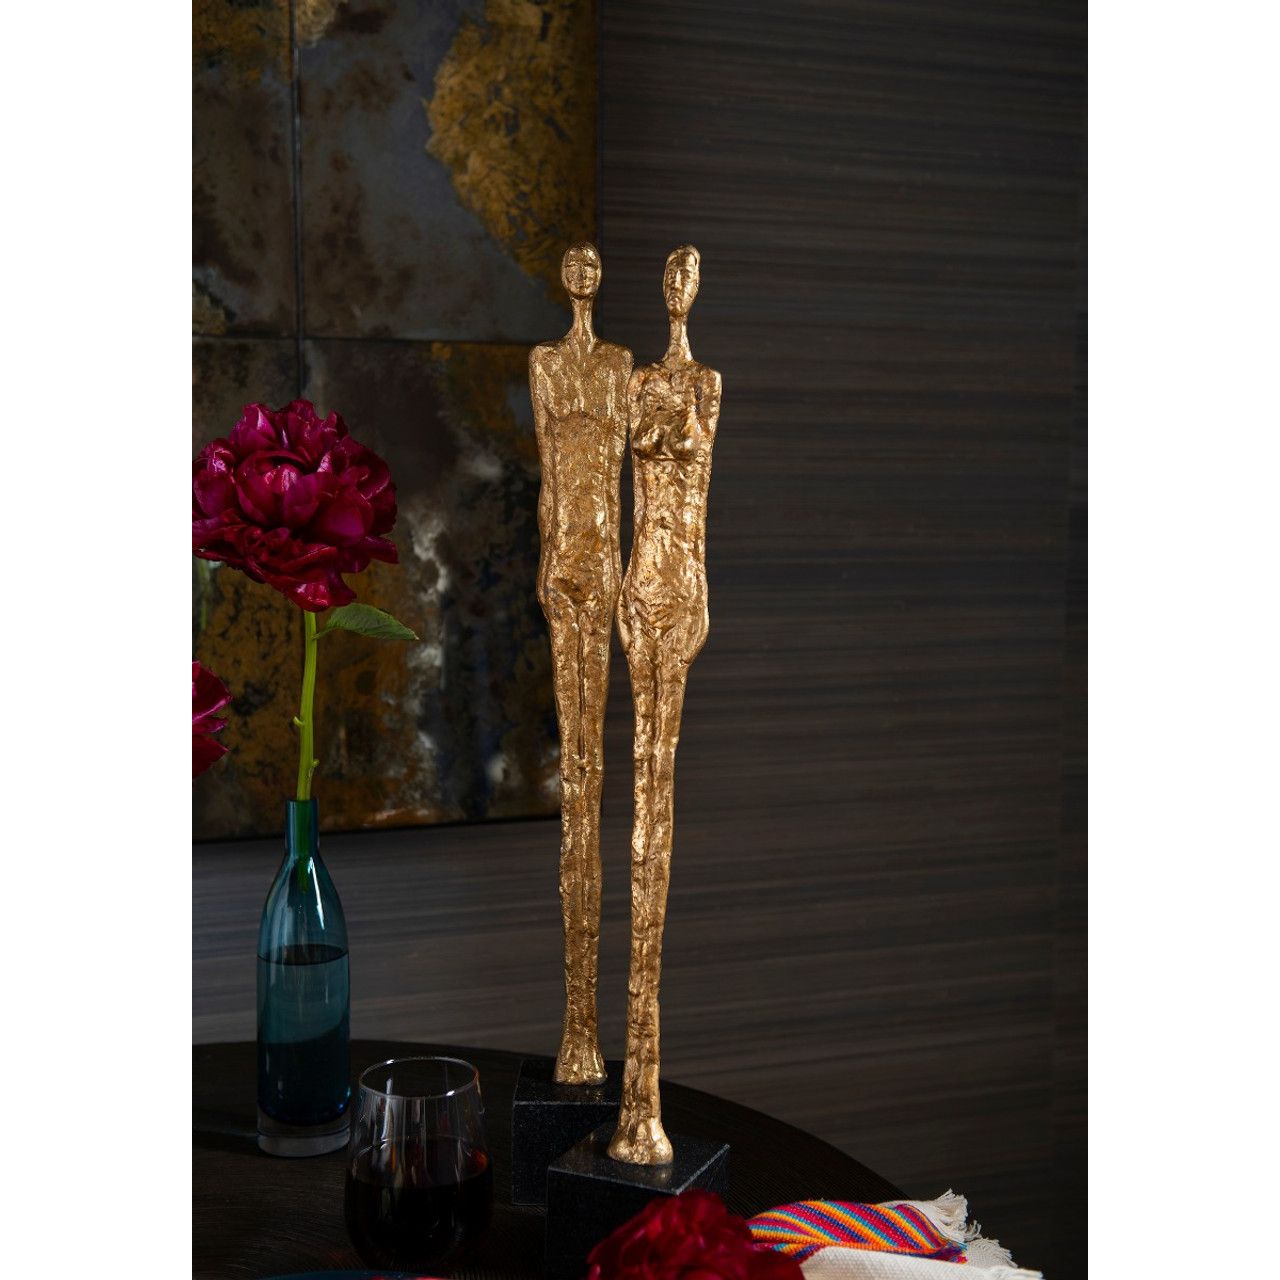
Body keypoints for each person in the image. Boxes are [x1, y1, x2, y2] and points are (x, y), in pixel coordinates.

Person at [610, 245, 722, 1162]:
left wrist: (700, 597)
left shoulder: (705, 385)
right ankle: (630, 1099)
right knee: (638, 810)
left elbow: (699, 494)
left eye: (689, 279)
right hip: (637, 584)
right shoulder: (637, 382)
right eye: (670, 278)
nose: (677, 289)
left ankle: (643, 1095)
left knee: (660, 804)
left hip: (679, 585)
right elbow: (626, 486)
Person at [529, 243, 633, 1085]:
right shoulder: (546, 363)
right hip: (564, 563)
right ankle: (576, 1030)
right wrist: (545, 563)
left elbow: (623, 483)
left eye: (595, 267)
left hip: (605, 569)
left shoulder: (619, 365)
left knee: (594, 775)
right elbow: (547, 474)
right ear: (566, 280)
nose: (585, 275)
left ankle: (588, 1032)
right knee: (576, 778)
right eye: (577, 266)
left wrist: (625, 574)